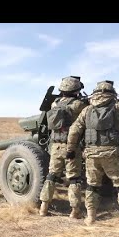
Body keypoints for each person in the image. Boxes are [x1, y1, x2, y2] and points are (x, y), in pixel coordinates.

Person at [66, 80, 119, 226]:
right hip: (112, 154)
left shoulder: (86, 110)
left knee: (92, 186)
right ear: (112, 93)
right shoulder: (117, 108)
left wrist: (70, 150)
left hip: (91, 155)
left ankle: (91, 217)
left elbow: (74, 131)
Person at [39, 76, 88, 219]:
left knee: (52, 176)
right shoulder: (79, 105)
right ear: (76, 90)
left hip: (55, 146)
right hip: (71, 147)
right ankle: (75, 211)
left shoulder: (55, 104)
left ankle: (43, 207)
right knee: (74, 178)